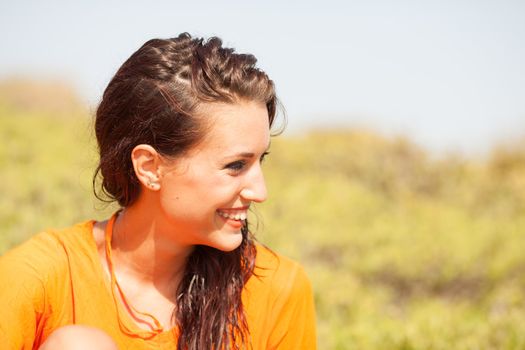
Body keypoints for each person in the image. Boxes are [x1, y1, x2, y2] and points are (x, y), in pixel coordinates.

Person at [0, 33, 317, 349]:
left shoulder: (277, 288)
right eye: (235, 165)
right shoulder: (37, 277)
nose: (259, 191)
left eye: (260, 161)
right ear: (149, 167)